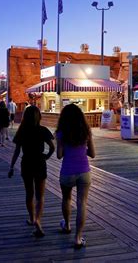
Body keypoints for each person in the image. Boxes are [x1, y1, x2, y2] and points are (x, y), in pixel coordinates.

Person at [8, 106, 55, 238]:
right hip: (40, 162)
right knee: (40, 196)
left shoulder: (22, 131)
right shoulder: (43, 130)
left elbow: (17, 151)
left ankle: (32, 218)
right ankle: (38, 220)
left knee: (29, 194)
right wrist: (47, 156)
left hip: (26, 163)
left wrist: (11, 167)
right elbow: (52, 147)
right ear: (38, 117)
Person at [56, 104, 95, 249]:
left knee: (66, 198)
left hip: (67, 171)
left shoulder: (61, 133)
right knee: (82, 203)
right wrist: (81, 151)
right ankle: (78, 238)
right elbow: (93, 154)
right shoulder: (86, 131)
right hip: (84, 171)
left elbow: (59, 155)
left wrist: (68, 151)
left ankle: (67, 225)